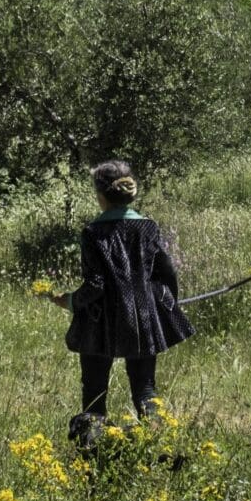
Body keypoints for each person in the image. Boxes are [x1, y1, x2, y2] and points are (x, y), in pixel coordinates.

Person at [48, 160, 195, 446]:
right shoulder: (148, 227)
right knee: (145, 389)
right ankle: (161, 448)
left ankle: (91, 457)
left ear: (101, 195)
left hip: (98, 322)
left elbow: (96, 285)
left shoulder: (93, 233)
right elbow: (168, 273)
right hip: (141, 318)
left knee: (94, 393)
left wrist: (70, 301)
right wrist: (164, 304)